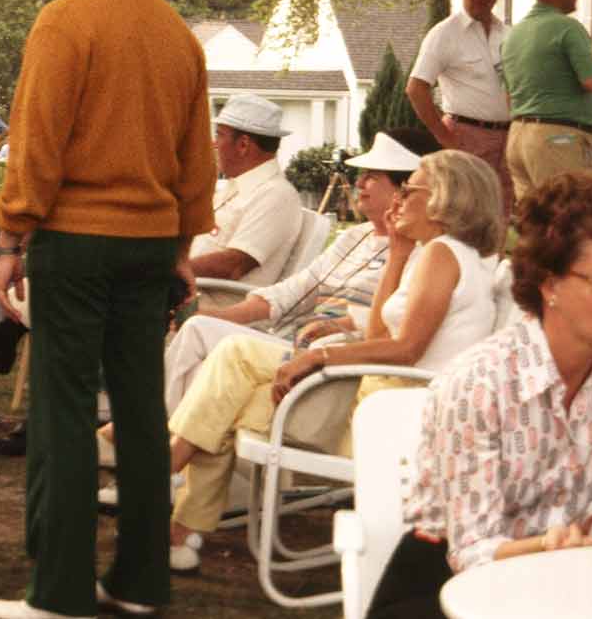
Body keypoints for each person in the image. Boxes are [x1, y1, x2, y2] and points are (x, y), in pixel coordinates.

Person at [0, 0, 216, 619]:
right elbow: (196, 161)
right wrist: (182, 245)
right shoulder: (177, 31)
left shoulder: (66, 20)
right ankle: (142, 582)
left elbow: (37, 145)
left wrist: (10, 236)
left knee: (63, 408)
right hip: (151, 245)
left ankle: (59, 592)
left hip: (78, 242)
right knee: (144, 413)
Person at [162, 149, 502, 573]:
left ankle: (162, 501)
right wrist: (397, 252)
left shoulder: (443, 255)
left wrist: (319, 357)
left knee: (228, 372)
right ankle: (174, 523)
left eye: (409, 189)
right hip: (375, 397)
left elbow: (405, 350)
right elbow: (380, 336)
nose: (397, 201)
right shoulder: (434, 253)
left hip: (386, 417)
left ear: (444, 198)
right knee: (225, 387)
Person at [368, 172, 592, 618]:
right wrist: (550, 545)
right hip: (442, 587)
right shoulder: (480, 382)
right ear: (549, 284)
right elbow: (471, 550)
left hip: (561, 576)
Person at [94, 127, 440, 484]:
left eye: (372, 176)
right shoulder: (356, 237)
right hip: (297, 342)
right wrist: (219, 316)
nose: (359, 181)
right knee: (199, 327)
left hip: (333, 362)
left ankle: (132, 441)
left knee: (213, 346)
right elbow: (295, 290)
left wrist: (347, 324)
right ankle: (147, 445)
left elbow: (395, 326)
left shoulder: (418, 253)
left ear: (403, 189)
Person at [406, 0, 513, 212]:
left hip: (507, 138)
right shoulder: (445, 34)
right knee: (465, 213)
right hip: (466, 134)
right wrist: (445, 136)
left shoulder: (508, 34)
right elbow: (416, 88)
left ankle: (494, 255)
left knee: (500, 211)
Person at [500, 0, 592, 203]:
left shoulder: (513, 35)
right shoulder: (568, 27)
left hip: (517, 136)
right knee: (569, 215)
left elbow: (508, 95)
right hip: (559, 138)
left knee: (534, 222)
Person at [190, 93, 304, 286]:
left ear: (243, 145)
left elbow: (233, 265)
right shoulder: (234, 188)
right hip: (188, 295)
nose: (213, 143)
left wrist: (165, 270)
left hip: (214, 308)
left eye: (219, 135)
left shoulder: (276, 195)